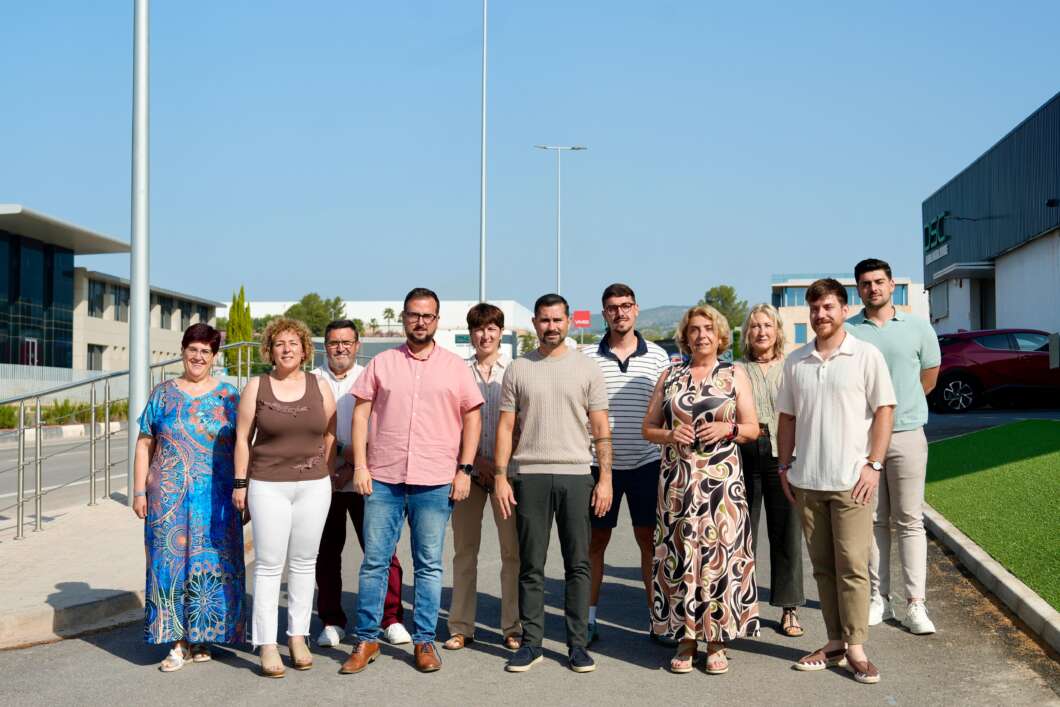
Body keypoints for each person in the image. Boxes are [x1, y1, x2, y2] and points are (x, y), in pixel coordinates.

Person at [340, 288, 483, 675]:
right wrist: (361, 466)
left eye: (427, 316)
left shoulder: (454, 367)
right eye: (414, 315)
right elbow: (360, 414)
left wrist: (465, 470)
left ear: (437, 320)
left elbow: (472, 417)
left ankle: (424, 641)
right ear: (404, 318)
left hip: (435, 481)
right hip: (384, 479)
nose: (420, 322)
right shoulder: (382, 363)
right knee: (375, 563)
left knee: (429, 565)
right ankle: (367, 639)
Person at [776, 278, 896, 685]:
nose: (820, 314)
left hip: (851, 481)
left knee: (853, 565)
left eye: (828, 307)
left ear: (845, 310)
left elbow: (884, 410)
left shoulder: (865, 355)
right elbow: (787, 418)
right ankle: (834, 643)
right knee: (824, 568)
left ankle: (856, 648)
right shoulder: (796, 361)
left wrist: (874, 464)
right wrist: (783, 467)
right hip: (808, 480)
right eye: (814, 308)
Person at [493, 293, 612, 674]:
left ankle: (577, 645)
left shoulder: (587, 368)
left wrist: (605, 478)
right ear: (535, 324)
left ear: (568, 322)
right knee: (531, 565)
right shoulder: (518, 369)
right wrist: (500, 476)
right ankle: (532, 644)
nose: (551, 326)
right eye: (544, 320)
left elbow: (600, 428)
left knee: (578, 564)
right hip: (530, 475)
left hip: (577, 475)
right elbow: (506, 427)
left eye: (557, 320)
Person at [642, 305, 760, 675]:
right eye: (694, 329)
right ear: (685, 336)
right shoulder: (670, 374)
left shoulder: (734, 374)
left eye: (708, 328)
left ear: (720, 334)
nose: (701, 335)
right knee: (680, 557)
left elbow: (753, 428)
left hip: (722, 487)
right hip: (677, 485)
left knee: (719, 558)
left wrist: (728, 429)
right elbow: (648, 428)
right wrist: (669, 434)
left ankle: (717, 641)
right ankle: (686, 639)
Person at [133, 323, 245, 672]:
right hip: (167, 501)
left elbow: (244, 446)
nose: (198, 357)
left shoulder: (229, 396)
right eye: (192, 349)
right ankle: (177, 642)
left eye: (205, 351)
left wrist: (245, 489)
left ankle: (202, 637)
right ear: (183, 351)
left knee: (212, 565)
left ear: (214, 356)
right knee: (168, 566)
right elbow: (144, 443)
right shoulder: (163, 394)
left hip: (217, 500)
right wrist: (138, 491)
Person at [233, 317, 337, 678]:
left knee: (305, 562)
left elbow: (330, 432)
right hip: (267, 485)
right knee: (268, 564)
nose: (287, 349)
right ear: (270, 350)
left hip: (313, 486)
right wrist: (240, 484)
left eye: (294, 343)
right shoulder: (256, 386)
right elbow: (242, 438)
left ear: (305, 350)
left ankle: (297, 637)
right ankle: (265, 643)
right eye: (279, 343)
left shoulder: (320, 386)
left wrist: (324, 471)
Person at [846, 258, 941, 635]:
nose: (873, 288)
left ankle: (916, 604)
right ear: (858, 289)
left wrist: (904, 408)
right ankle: (878, 598)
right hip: (864, 440)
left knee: (910, 519)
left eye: (879, 282)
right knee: (873, 520)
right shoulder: (850, 331)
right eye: (865, 283)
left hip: (906, 434)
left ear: (891, 286)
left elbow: (929, 378)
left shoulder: (918, 327)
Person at [580, 283, 671, 645]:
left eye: (626, 305)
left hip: (647, 462)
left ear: (636, 309)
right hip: (598, 465)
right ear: (604, 313)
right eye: (613, 307)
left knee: (649, 542)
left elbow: (667, 411)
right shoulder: (587, 356)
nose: (620, 312)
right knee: (595, 542)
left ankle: (657, 620)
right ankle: (588, 620)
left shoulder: (659, 357)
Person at [312, 319, 410, 648]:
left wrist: (351, 463)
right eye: (333, 342)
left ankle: (391, 618)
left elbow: (384, 429)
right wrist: (333, 467)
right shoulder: (312, 381)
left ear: (357, 345)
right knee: (327, 554)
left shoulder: (371, 377)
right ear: (325, 346)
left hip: (367, 478)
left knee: (382, 552)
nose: (340, 348)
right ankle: (331, 621)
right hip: (324, 480)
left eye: (347, 342)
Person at [444, 303, 522, 652]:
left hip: (508, 474)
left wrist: (500, 464)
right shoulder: (458, 372)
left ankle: (512, 626)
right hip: (468, 473)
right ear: (471, 333)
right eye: (479, 329)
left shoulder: (516, 370)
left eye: (491, 328)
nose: (485, 335)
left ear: (501, 332)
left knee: (512, 552)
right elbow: (449, 425)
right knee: (464, 552)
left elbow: (522, 422)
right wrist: (476, 461)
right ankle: (461, 626)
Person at [736, 304, 806, 638]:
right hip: (744, 454)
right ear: (746, 333)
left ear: (777, 330)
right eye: (755, 326)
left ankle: (789, 608)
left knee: (786, 533)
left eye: (767, 325)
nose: (761, 332)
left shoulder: (792, 367)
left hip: (784, 455)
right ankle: (742, 606)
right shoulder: (736, 370)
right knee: (741, 534)